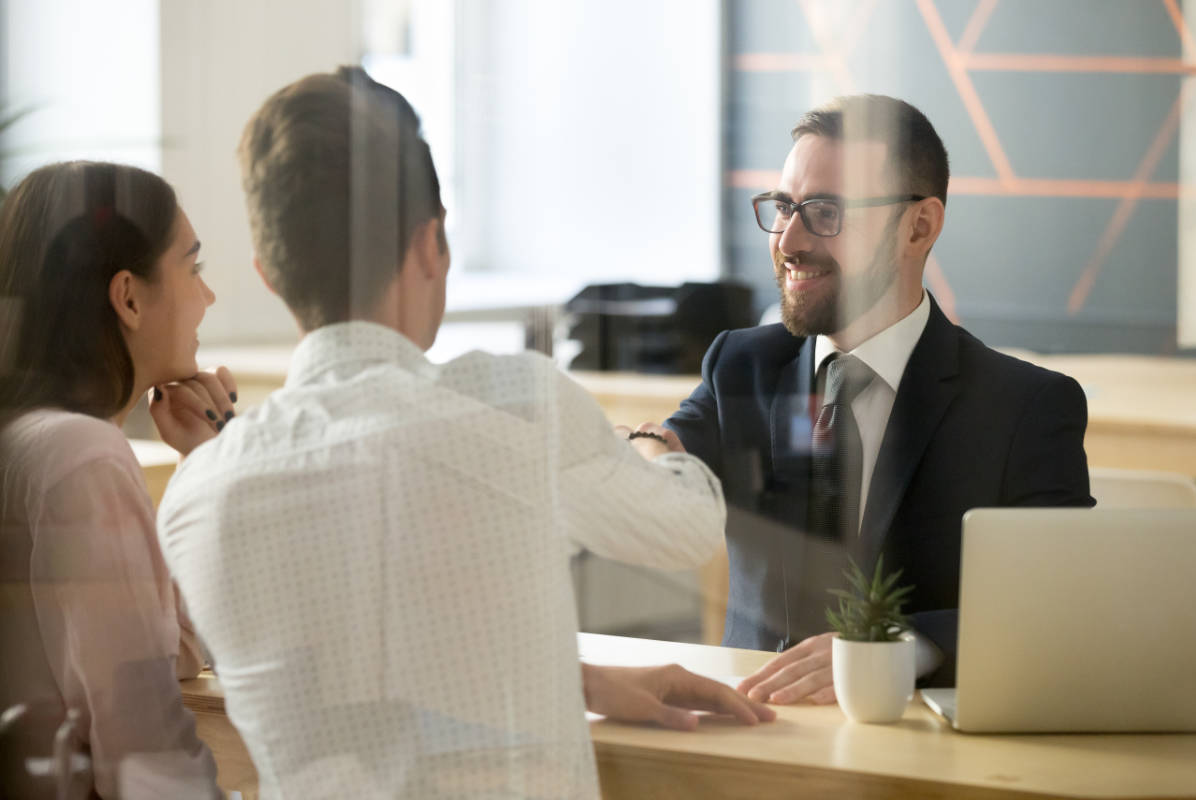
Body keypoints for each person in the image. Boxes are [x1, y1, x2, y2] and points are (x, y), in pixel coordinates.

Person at [156, 67, 771, 799]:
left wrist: (578, 678)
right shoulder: (514, 404)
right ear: (430, 242)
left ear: (268, 273)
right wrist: (652, 449)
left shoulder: (196, 495)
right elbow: (688, 532)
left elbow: (356, 681)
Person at [661, 94, 1093, 702]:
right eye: (784, 207)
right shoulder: (741, 364)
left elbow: (1062, 602)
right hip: (752, 735)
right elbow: (672, 449)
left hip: (920, 753)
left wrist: (897, 647)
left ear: (919, 226)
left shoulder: (1024, 407)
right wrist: (646, 453)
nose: (789, 240)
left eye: (826, 212)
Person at [0, 161, 231, 798]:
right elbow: (146, 748)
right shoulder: (84, 455)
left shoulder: (28, 437)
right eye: (194, 266)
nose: (207, 297)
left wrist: (199, 464)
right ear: (128, 296)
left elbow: (172, 652)